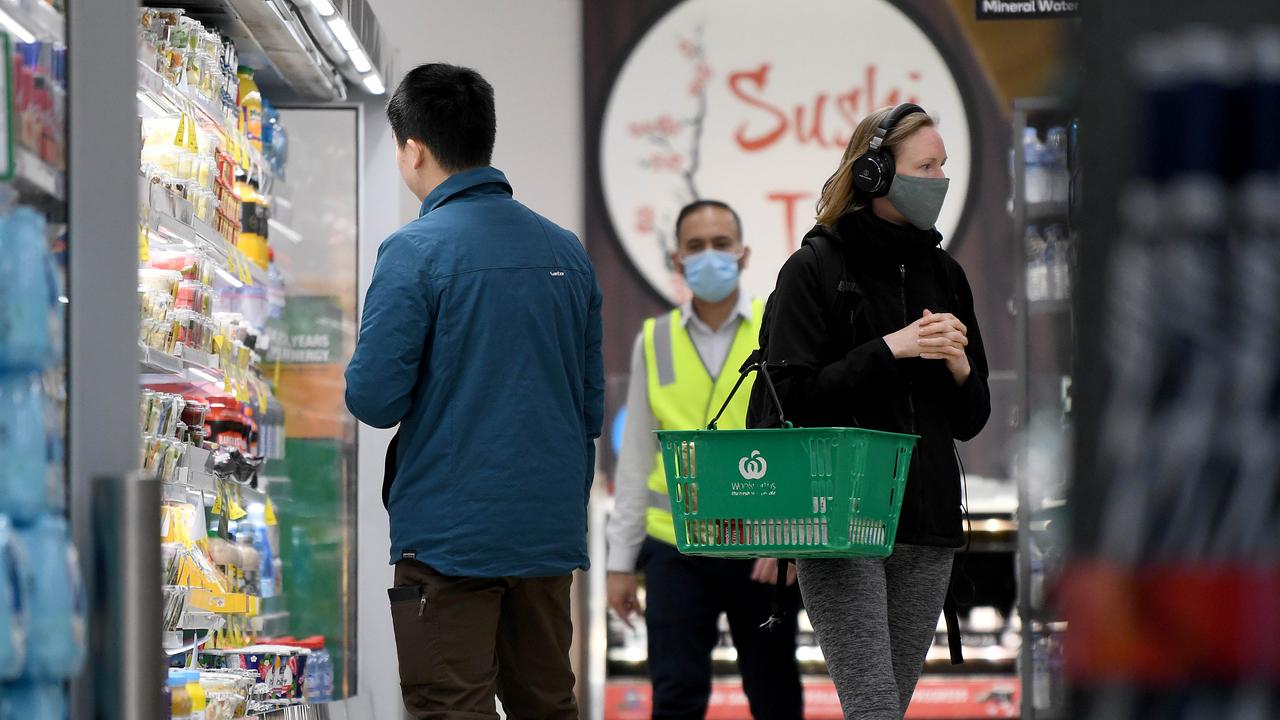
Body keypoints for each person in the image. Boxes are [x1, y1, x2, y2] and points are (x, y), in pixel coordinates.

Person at [345, 63, 604, 720]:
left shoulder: (414, 251)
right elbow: (590, 407)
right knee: (547, 703)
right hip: (547, 535)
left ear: (414, 150)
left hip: (447, 538)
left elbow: (374, 399)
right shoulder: (567, 252)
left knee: (449, 706)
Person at [751, 104, 990, 719]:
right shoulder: (813, 269)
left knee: (886, 709)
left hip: (928, 522)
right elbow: (793, 400)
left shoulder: (947, 273)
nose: (938, 179)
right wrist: (891, 349)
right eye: (924, 166)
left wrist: (960, 367)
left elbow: (970, 418)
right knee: (875, 709)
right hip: (841, 524)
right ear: (876, 173)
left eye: (943, 166)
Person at [607, 200, 804, 720]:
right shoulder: (655, 340)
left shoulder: (778, 326)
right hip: (674, 548)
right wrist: (619, 564)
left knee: (775, 695)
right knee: (675, 697)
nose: (709, 256)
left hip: (763, 548)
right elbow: (634, 462)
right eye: (696, 246)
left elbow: (803, 440)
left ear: (744, 254)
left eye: (721, 244)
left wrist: (791, 538)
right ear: (677, 259)